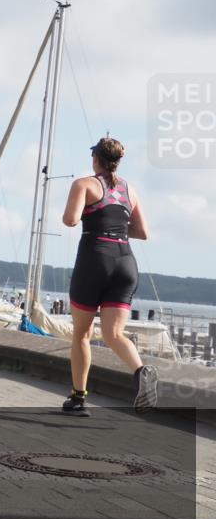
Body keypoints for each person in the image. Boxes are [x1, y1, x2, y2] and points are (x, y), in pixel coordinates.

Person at [62, 137, 154, 416]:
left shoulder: (85, 184)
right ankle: (141, 371)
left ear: (95, 159)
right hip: (125, 261)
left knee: (82, 333)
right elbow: (142, 232)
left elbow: (70, 219)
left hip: (95, 258)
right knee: (114, 334)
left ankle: (79, 399)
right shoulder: (130, 190)